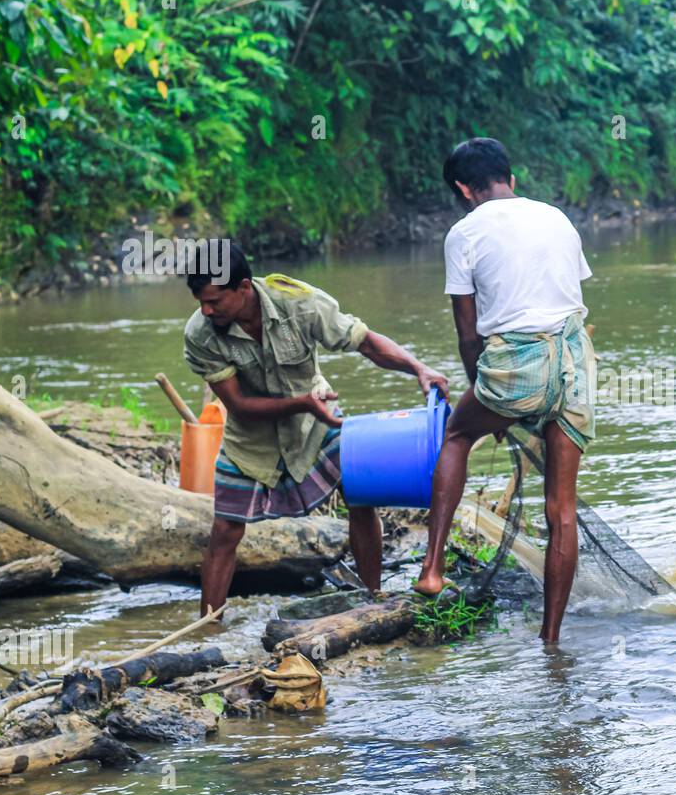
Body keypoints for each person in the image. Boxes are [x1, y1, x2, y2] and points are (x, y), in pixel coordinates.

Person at [182, 242, 448, 617]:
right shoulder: (201, 335)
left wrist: (418, 368)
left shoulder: (300, 303)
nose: (207, 311)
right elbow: (240, 405)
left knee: (361, 495)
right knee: (225, 531)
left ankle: (372, 599)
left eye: (215, 301)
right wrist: (303, 403)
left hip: (316, 423)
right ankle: (207, 626)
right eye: (200, 302)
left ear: (243, 288)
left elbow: (365, 342)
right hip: (251, 440)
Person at [412, 138, 596, 644]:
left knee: (456, 437)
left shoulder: (464, 232)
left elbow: (469, 334)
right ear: (510, 179)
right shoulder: (557, 217)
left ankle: (430, 569)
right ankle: (551, 641)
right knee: (561, 509)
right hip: (575, 363)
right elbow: (569, 301)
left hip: (516, 365)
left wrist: (486, 395)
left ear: (463, 189)